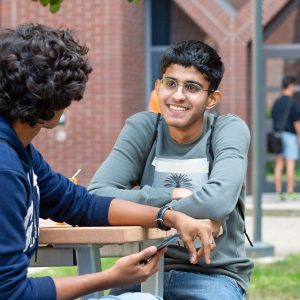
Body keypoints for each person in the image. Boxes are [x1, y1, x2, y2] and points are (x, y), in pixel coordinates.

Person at [0, 25, 221, 300]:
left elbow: (81, 204)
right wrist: (111, 278)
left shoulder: (20, 151)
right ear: (51, 101)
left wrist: (167, 216)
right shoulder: (6, 168)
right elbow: (12, 294)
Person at [88, 40, 254, 300]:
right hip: (142, 272)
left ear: (212, 99)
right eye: (170, 83)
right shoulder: (143, 128)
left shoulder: (227, 130)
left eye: (192, 87)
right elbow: (97, 195)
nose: (178, 95)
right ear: (157, 88)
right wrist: (172, 195)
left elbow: (217, 201)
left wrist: (140, 205)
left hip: (214, 277)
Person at [271, 75, 300, 201]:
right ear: (290, 86)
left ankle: (278, 192)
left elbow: (274, 118)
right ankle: (290, 191)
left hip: (277, 135)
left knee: (278, 164)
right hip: (289, 135)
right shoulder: (293, 103)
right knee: (290, 164)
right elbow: (297, 122)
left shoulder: (277, 102)